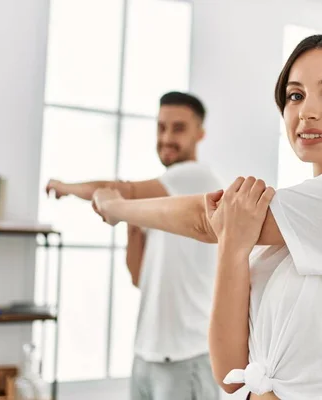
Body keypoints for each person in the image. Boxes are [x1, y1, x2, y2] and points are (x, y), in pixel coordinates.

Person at [91, 30, 322, 400]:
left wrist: (116, 207)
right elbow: (232, 376)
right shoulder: (270, 248)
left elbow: (206, 219)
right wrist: (233, 248)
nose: (306, 111)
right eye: (295, 95)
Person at [45, 92, 223, 400]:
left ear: (200, 133)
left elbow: (120, 190)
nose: (166, 137)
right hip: (146, 355)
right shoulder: (163, 192)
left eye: (178, 128)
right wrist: (132, 218)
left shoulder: (195, 177)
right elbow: (138, 275)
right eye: (161, 127)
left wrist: (66, 187)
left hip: (185, 356)